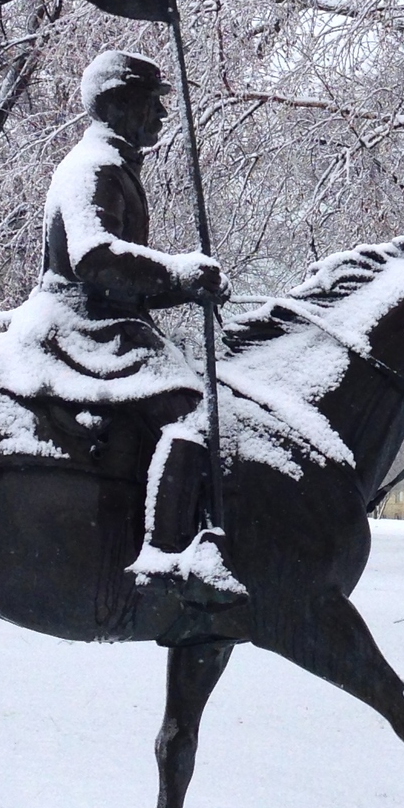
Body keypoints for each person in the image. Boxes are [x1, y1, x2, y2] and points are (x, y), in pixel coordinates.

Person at [41, 48, 243, 611]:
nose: (159, 117)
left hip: (108, 318)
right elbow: (93, 257)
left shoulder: (114, 165)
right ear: (116, 104)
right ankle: (164, 556)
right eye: (151, 104)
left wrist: (186, 284)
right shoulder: (93, 167)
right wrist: (179, 272)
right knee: (190, 411)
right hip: (85, 323)